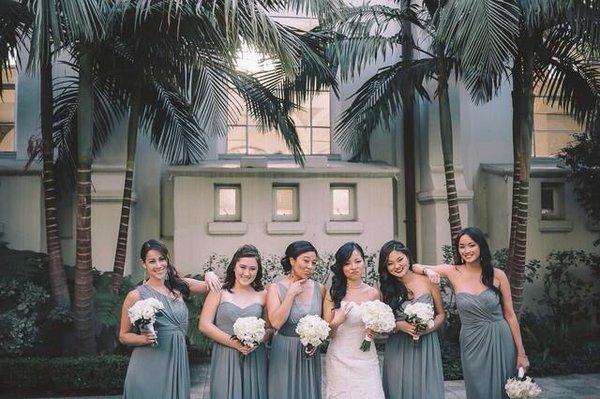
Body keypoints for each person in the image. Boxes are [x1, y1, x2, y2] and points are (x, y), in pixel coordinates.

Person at [414, 227, 530, 399]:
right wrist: (428, 271)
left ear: (480, 246)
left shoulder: (498, 275)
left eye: (471, 245)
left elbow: (510, 314)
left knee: (503, 389)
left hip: (500, 338)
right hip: (471, 341)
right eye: (462, 246)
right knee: (478, 390)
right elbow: (414, 266)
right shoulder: (453, 271)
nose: (466, 250)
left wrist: (521, 353)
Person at [120, 239, 221, 399]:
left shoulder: (180, 286)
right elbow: (123, 335)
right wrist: (143, 339)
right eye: (152, 261)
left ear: (167, 260)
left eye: (161, 259)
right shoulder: (135, 295)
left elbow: (214, 287)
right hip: (147, 364)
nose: (158, 265)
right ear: (143, 264)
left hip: (176, 360)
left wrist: (209, 273)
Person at [199, 244, 271, 399]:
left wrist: (257, 340)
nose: (247, 273)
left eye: (252, 269)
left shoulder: (263, 295)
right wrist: (234, 343)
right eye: (242, 267)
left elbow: (270, 329)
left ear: (258, 271)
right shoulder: (219, 291)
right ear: (234, 267)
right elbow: (204, 325)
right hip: (225, 355)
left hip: (254, 356)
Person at [378, 240, 445, 399]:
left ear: (408, 257)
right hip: (398, 348)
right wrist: (399, 325)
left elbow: (441, 314)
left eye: (400, 259)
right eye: (390, 263)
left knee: (427, 391)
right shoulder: (385, 290)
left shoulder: (428, 280)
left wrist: (427, 328)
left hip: (426, 345)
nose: (397, 266)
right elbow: (382, 326)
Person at [323, 242, 385, 399]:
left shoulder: (373, 293)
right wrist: (337, 321)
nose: (353, 267)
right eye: (347, 263)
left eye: (357, 261)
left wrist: (374, 331)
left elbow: (378, 324)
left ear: (364, 262)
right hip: (340, 357)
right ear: (341, 267)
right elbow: (327, 334)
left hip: (366, 356)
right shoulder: (333, 294)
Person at [267, 240, 325, 399]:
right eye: (306, 261)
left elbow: (326, 324)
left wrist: (317, 340)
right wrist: (291, 294)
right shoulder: (275, 288)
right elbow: (276, 323)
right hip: (284, 351)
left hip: (310, 353)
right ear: (292, 261)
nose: (310, 266)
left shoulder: (320, 289)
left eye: (314, 262)